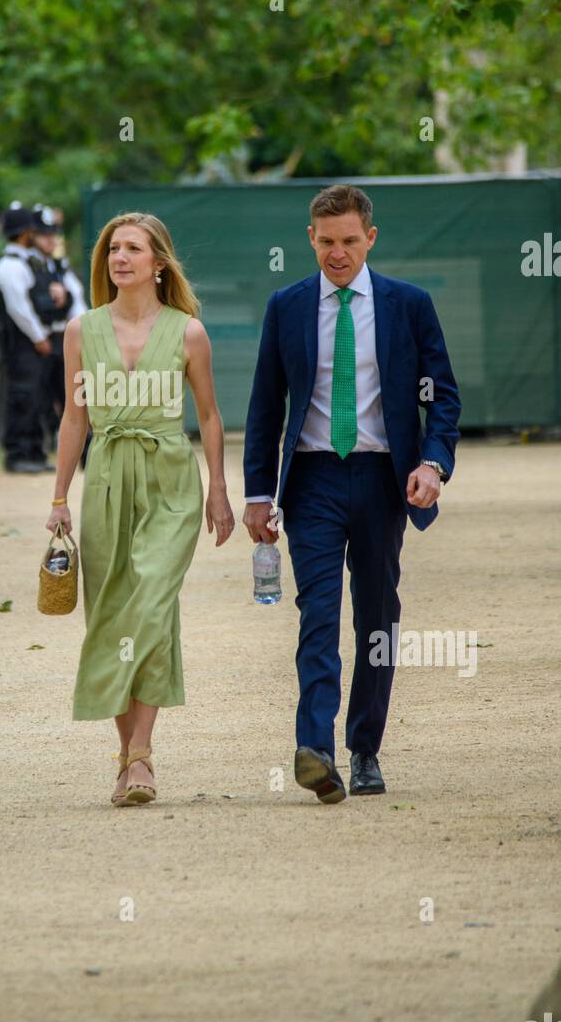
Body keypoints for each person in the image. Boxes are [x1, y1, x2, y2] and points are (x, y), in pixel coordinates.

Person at [243, 184, 461, 804]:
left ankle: (364, 747)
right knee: (318, 613)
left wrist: (432, 463)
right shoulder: (286, 306)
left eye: (348, 241)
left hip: (380, 480)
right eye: (325, 241)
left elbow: (441, 395)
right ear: (310, 238)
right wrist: (259, 493)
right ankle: (315, 748)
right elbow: (264, 407)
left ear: (370, 237)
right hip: (310, 480)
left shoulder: (407, 306)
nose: (337, 254)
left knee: (376, 616)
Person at [46, 213, 234, 807]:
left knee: (150, 602)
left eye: (132, 249)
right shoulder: (80, 330)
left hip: (170, 481)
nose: (119, 258)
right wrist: (58, 500)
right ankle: (127, 758)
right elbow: (74, 417)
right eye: (112, 250)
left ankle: (143, 753)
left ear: (159, 263)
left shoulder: (188, 333)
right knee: (110, 613)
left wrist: (219, 488)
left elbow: (208, 415)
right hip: (104, 479)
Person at [0, 206, 55, 474]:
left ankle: (34, 451)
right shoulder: (11, 267)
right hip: (21, 343)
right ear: (25, 233)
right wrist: (38, 336)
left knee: (36, 396)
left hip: (29, 342)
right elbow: (19, 309)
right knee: (23, 396)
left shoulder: (23, 263)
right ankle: (17, 453)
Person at [31, 205, 87, 449]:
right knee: (38, 397)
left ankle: (81, 448)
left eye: (53, 234)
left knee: (72, 396)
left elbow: (76, 297)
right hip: (38, 339)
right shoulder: (25, 264)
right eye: (45, 235)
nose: (51, 239)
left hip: (62, 336)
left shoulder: (58, 265)